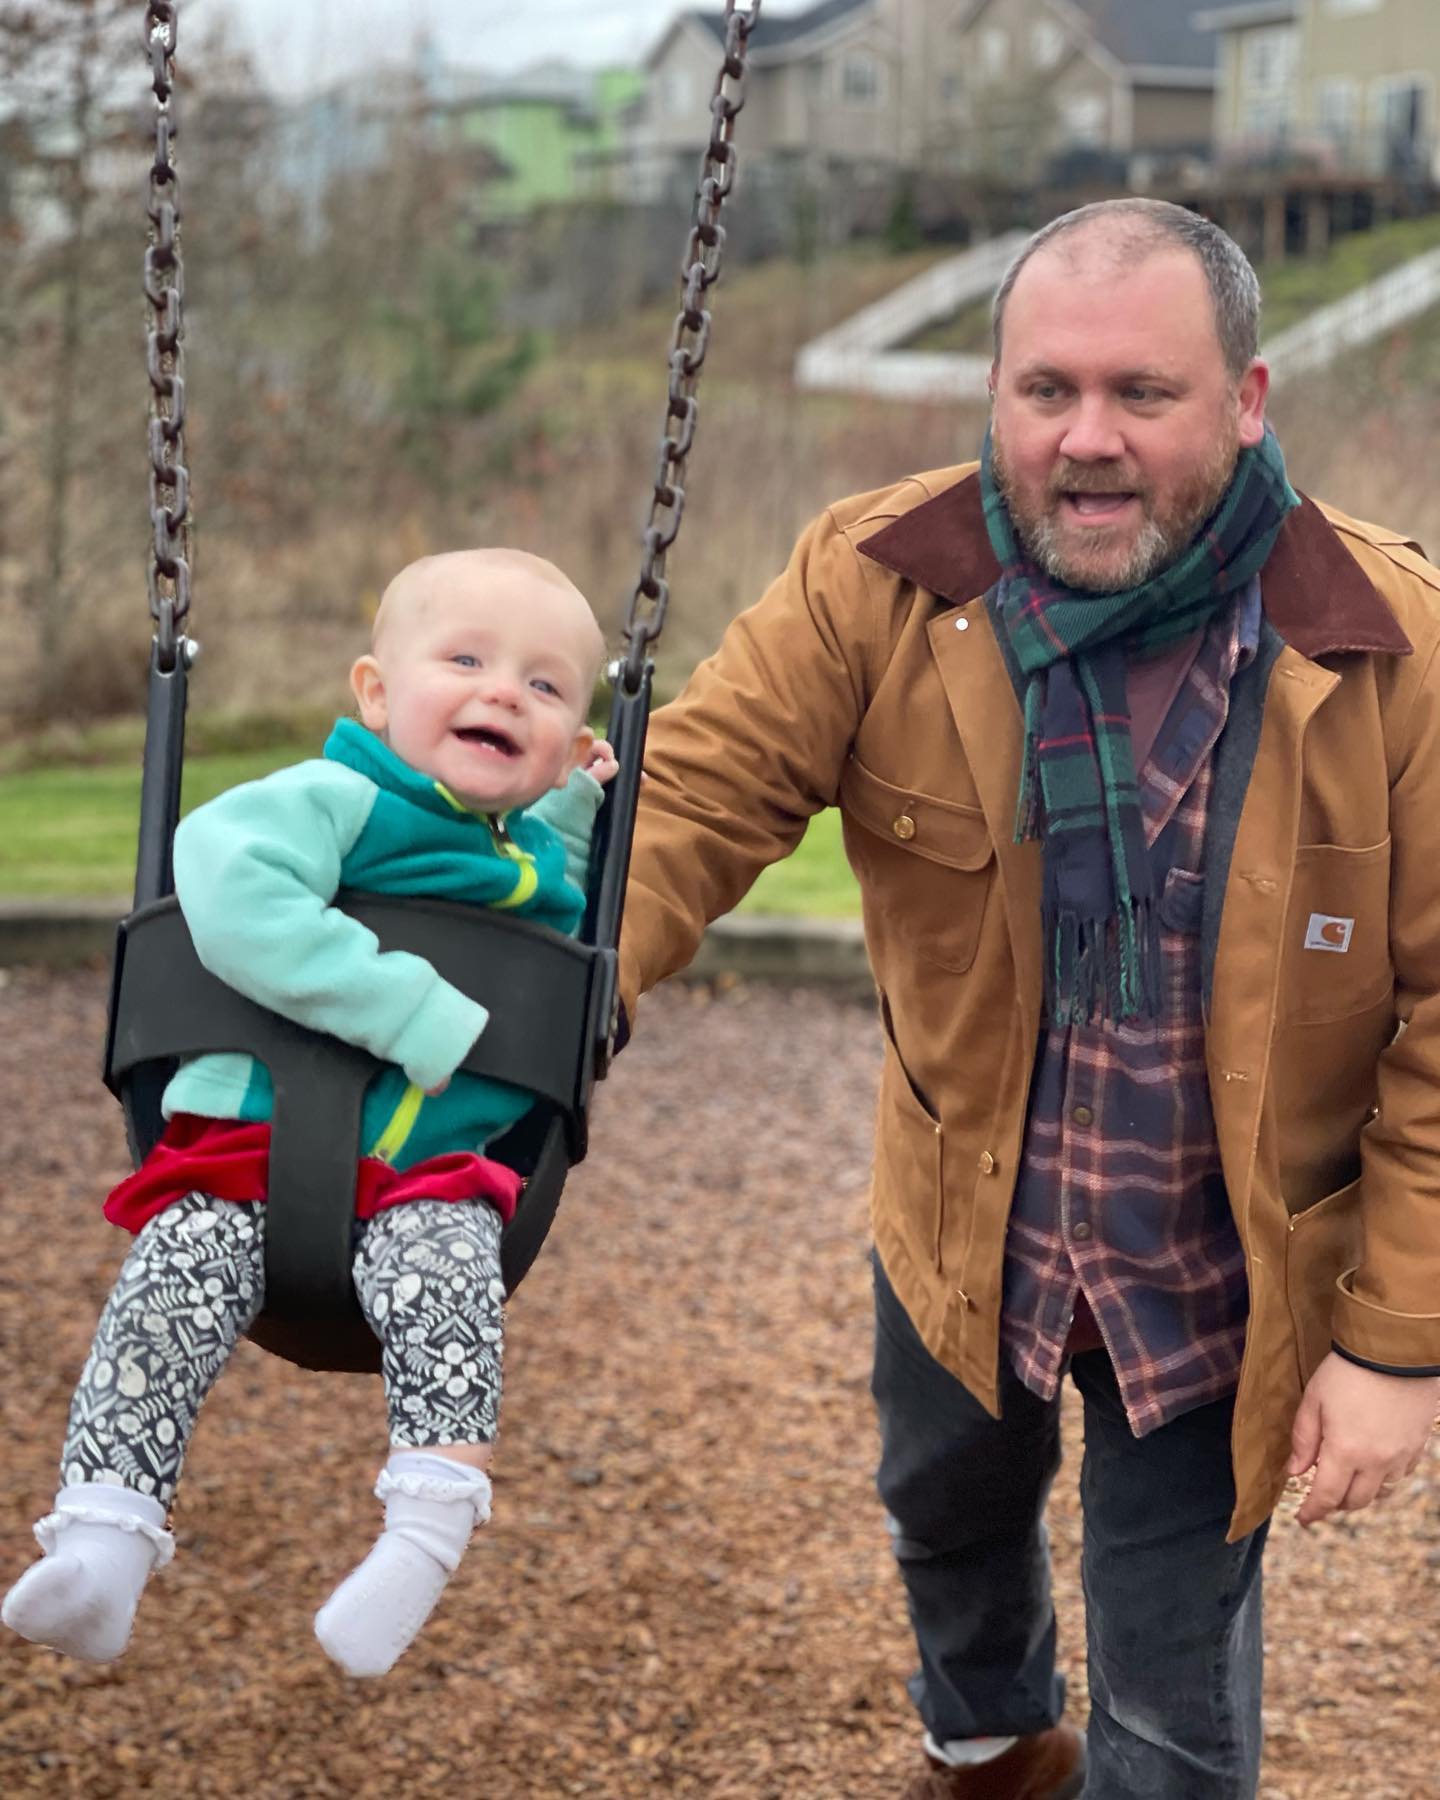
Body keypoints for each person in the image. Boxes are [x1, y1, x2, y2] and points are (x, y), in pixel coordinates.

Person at [613, 199, 1440, 1798]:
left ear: (1249, 401)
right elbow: (684, 809)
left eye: (1145, 394)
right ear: (992, 390)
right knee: (945, 1510)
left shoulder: (1393, 644)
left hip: (1221, 1268)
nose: (1088, 440)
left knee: (1175, 1711)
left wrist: (1401, 1345)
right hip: (963, 1212)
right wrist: (507, 1026)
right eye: (1045, 390)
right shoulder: (875, 580)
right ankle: (990, 1746)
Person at [3, 548, 617, 1679]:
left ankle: (422, 1539)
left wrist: (582, 806)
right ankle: (101, 1537)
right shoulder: (337, 798)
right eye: (467, 660)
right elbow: (228, 880)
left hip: (429, 1176)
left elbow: (566, 879)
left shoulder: (530, 851)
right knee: (170, 1281)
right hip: (247, 1147)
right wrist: (403, 1008)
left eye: (545, 686)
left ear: (572, 742)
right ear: (376, 695)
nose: (502, 693)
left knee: (451, 1287)